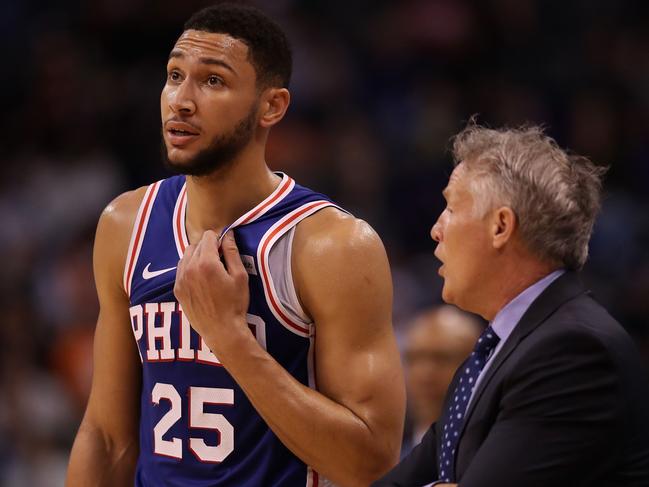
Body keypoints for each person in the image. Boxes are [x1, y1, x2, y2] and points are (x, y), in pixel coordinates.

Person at [66, 4, 405, 486]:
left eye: (212, 81)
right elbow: (105, 436)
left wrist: (229, 340)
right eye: (174, 75)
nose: (181, 100)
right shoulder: (126, 224)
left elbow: (370, 463)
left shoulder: (331, 246)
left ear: (272, 106)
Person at [373, 122, 649, 486]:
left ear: (501, 226)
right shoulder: (492, 353)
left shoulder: (574, 351)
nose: (436, 229)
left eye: (452, 209)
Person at [401, 306, 480, 455]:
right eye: (414, 359)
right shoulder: (387, 458)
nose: (424, 376)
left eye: (442, 358)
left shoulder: (492, 454)